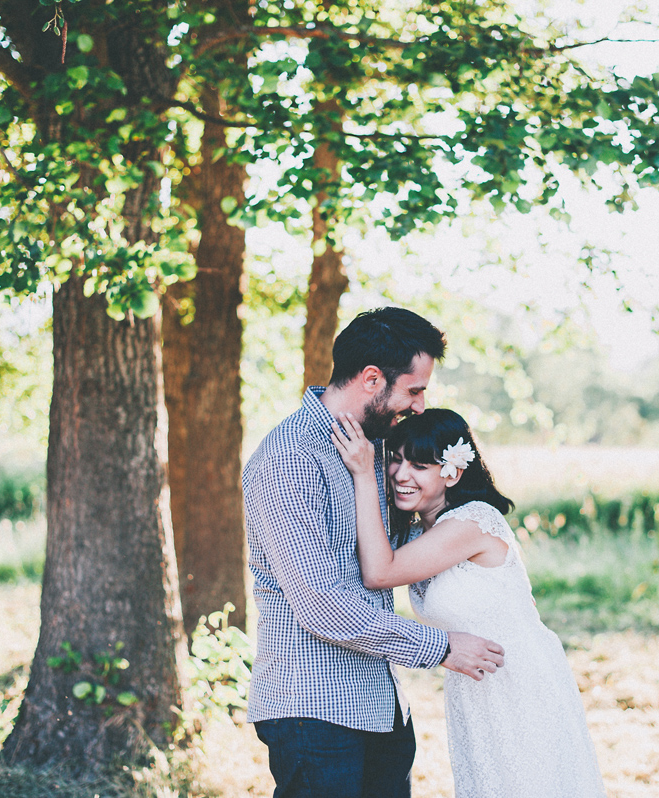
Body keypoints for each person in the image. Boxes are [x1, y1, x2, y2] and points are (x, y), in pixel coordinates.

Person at [243, 307, 506, 798]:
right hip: (314, 711)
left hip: (379, 703)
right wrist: (443, 647)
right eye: (414, 390)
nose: (420, 405)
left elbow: (400, 548)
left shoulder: (379, 449)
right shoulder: (289, 460)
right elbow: (323, 606)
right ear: (371, 379)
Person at [331, 407, 608, 798]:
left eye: (419, 465)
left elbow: (378, 573)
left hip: (517, 679)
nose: (400, 475)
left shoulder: (472, 521)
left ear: (453, 471)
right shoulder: (415, 533)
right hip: (473, 685)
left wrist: (362, 473)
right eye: (395, 460)